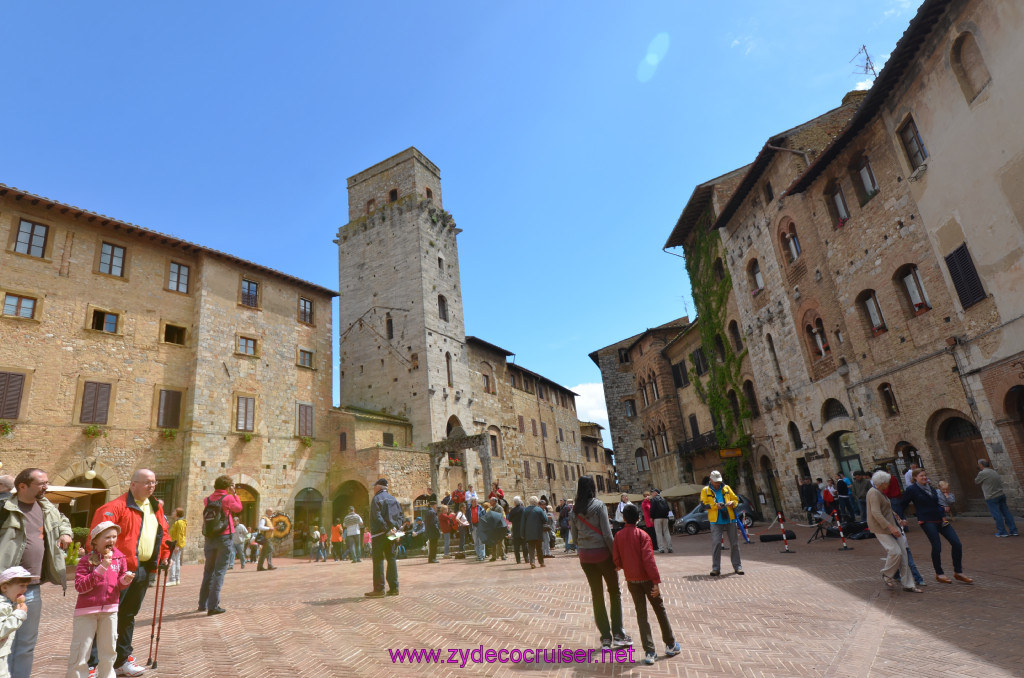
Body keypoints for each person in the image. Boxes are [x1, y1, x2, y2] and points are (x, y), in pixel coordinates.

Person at [87, 469, 169, 677]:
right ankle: (92, 664)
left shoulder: (155, 507)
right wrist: (105, 563)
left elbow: (163, 532)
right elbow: (97, 537)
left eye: (154, 482)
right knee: (106, 615)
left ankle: (121, 660)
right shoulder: (115, 507)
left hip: (142, 568)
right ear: (133, 484)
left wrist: (165, 554)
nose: (151, 486)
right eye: (146, 482)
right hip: (117, 569)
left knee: (128, 614)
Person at [0, 468, 73, 678]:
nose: (46, 487)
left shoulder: (47, 507)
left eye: (47, 482)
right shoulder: (5, 507)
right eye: (41, 484)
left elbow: (63, 520)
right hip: (4, 588)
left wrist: (65, 533)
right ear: (22, 486)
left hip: (30, 588)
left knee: (26, 644)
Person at [612, 504, 680, 665]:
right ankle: (670, 644)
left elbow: (616, 559)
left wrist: (622, 565)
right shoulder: (643, 535)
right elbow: (649, 560)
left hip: (632, 580)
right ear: (639, 518)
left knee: (641, 615)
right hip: (646, 579)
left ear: (623, 518)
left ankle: (650, 651)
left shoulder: (619, 536)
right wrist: (655, 581)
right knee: (659, 609)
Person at [67, 521, 135, 678]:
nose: (112, 541)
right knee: (81, 650)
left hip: (110, 610)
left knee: (109, 650)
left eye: (114, 537)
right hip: (86, 611)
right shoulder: (86, 561)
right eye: (107, 537)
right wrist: (102, 567)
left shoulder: (120, 558)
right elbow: (80, 586)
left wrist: (125, 580)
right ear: (96, 540)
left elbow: (118, 584)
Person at [571, 476, 632, 651]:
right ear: (592, 487)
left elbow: (574, 538)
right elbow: (607, 534)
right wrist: (616, 556)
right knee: (614, 592)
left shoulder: (574, 510)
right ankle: (618, 634)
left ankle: (605, 637)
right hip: (603, 555)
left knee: (596, 595)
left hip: (585, 557)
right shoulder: (599, 506)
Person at [901, 468, 972, 584]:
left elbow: (936, 503)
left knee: (957, 543)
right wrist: (902, 518)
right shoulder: (912, 489)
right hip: (926, 521)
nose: (924, 477)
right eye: (921, 476)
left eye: (925, 475)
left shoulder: (931, 488)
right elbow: (902, 504)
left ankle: (958, 572)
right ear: (915, 478)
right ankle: (939, 573)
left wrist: (943, 508)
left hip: (941, 519)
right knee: (937, 546)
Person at [865, 471, 921, 593]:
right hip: (881, 528)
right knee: (895, 552)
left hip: (892, 525)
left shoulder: (880, 492)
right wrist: (890, 527)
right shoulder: (873, 493)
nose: (889, 484)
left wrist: (898, 519)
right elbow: (876, 513)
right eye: (888, 482)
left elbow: (887, 509)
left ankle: (909, 585)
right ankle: (886, 574)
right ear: (882, 483)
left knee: (904, 556)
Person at [198, 475, 242, 616]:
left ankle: (202, 604)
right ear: (228, 487)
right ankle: (213, 606)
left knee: (208, 571)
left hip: (210, 538)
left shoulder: (208, 499)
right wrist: (235, 494)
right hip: (224, 537)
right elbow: (239, 508)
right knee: (219, 572)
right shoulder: (228, 498)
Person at [700, 470, 743, 576]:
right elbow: (703, 505)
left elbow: (736, 499)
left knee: (734, 543)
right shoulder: (705, 490)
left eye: (719, 481)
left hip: (730, 518)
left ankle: (738, 566)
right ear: (710, 480)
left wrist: (733, 503)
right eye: (715, 482)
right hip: (715, 520)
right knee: (716, 543)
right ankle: (716, 568)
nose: (717, 483)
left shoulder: (726, 488)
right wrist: (716, 506)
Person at [365, 479, 403, 598]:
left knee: (378, 560)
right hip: (391, 533)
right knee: (391, 559)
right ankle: (394, 588)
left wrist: (386, 529)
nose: (373, 488)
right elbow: (400, 516)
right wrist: (394, 529)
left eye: (374, 486)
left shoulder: (376, 499)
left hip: (379, 534)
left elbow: (377, 516)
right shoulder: (393, 499)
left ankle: (379, 589)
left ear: (379, 487)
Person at [0, 567, 30, 678]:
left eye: (26, 586)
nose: (25, 589)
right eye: (21, 585)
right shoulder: (2, 606)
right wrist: (19, 614)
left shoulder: (8, 605)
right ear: (4, 587)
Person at [975, 459, 1018, 537]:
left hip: (991, 496)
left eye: (978, 464)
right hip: (1001, 494)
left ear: (981, 465)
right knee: (1006, 513)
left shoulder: (982, 473)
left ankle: (1002, 532)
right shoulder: (993, 471)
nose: (978, 465)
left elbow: (976, 481)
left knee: (997, 515)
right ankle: (1013, 530)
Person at [518, 497, 547, 568]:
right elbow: (545, 519)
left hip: (529, 532)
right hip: (538, 532)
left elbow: (523, 523)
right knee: (539, 548)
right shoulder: (539, 509)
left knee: (531, 548)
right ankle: (541, 562)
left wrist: (522, 533)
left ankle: (532, 562)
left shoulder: (525, 510)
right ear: (537, 502)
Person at [648, 489, 671, 554]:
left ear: (655, 493)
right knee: (666, 532)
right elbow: (668, 508)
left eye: (652, 492)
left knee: (658, 533)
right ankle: (670, 547)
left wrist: (651, 517)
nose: (651, 494)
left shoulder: (654, 499)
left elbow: (652, 509)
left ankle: (661, 548)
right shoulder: (664, 499)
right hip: (665, 517)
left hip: (657, 518)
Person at [167, 508, 186, 586]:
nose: (172, 512)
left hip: (176, 545)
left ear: (177, 513)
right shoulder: (178, 522)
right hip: (176, 544)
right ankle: (177, 579)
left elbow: (180, 535)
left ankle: (173, 579)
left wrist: (178, 545)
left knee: (173, 561)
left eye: (174, 511)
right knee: (176, 561)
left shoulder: (179, 523)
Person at [507, 497, 525, 564]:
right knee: (524, 545)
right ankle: (526, 558)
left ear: (514, 503)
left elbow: (509, 519)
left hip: (515, 529)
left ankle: (518, 560)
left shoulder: (512, 510)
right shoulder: (524, 509)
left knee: (516, 546)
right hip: (523, 529)